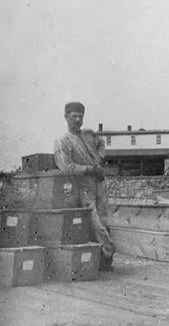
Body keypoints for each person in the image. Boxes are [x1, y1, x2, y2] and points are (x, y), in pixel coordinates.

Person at [54, 102, 115, 271]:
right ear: (66, 117)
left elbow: (101, 142)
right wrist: (89, 169)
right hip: (84, 184)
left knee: (104, 219)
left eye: (80, 116)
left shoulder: (89, 135)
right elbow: (67, 167)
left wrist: (99, 159)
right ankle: (108, 250)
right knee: (94, 220)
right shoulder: (62, 141)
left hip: (100, 182)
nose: (77, 119)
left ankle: (104, 259)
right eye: (73, 116)